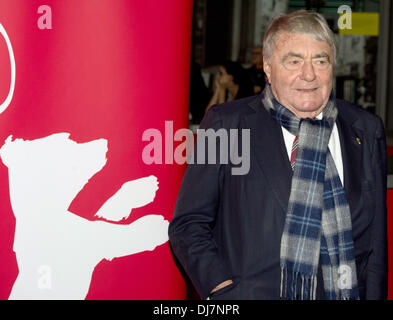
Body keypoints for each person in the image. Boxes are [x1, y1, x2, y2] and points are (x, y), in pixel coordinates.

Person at [169, 10, 388, 300]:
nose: (309, 74)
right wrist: (221, 290)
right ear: (268, 68)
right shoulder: (225, 123)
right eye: (294, 61)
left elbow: (375, 246)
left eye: (320, 61)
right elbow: (188, 223)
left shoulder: (365, 129)